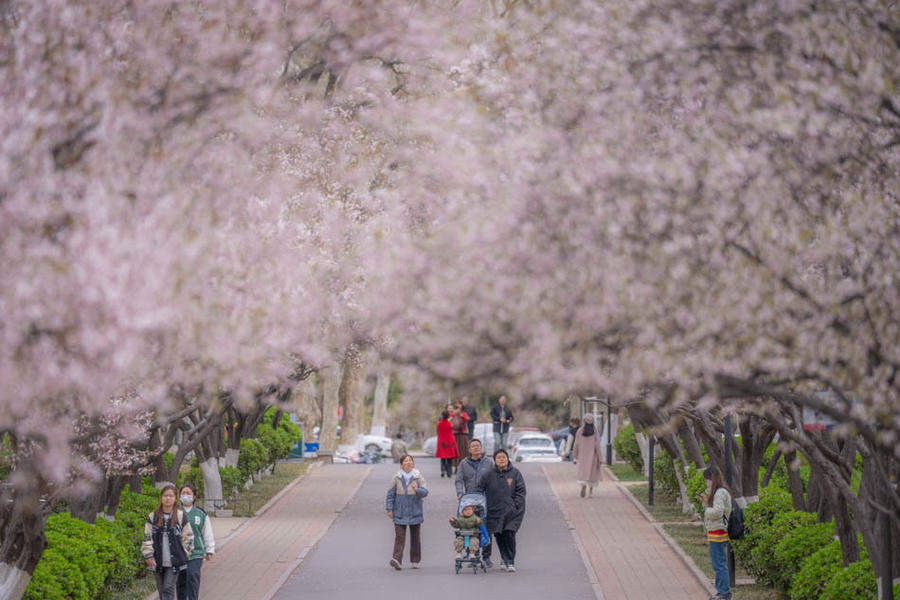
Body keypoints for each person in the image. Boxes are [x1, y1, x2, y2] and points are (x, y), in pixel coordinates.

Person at [472, 449, 526, 572]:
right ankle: (504, 558)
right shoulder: (488, 474)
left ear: (507, 459)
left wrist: (515, 505)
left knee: (509, 534)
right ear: (495, 460)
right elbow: (479, 489)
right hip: (494, 512)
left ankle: (510, 561)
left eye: (504, 457)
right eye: (499, 458)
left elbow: (521, 491)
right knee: (499, 535)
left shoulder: (515, 473)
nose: (502, 459)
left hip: (513, 512)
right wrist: (477, 503)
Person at [141, 483, 194, 600]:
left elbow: (189, 537)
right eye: (165, 496)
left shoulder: (180, 516)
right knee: (161, 592)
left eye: (171, 496)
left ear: (175, 499)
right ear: (161, 498)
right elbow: (147, 537)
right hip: (157, 560)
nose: (168, 498)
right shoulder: (153, 516)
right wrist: (148, 554)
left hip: (174, 562)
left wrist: (184, 553)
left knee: (168, 589)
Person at [385, 455, 429, 570]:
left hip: (415, 510)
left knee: (415, 537)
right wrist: (389, 509)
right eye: (405, 461)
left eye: (410, 461)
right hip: (399, 510)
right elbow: (390, 495)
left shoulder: (418, 477)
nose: (408, 462)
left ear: (413, 464)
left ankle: (415, 560)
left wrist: (417, 490)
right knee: (399, 536)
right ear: (401, 464)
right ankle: (397, 560)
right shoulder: (396, 477)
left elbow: (425, 492)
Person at [176, 484, 214, 600]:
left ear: (194, 496)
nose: (185, 496)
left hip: (196, 553)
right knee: (181, 581)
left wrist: (209, 549)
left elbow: (207, 532)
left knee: (192, 577)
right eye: (183, 493)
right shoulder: (174, 512)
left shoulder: (200, 514)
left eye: (188, 493)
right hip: (179, 553)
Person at [701, 466, 733, 600]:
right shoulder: (719, 492)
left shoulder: (719, 492)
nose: (707, 483)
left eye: (707, 480)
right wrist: (706, 502)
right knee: (718, 563)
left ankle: (724, 593)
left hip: (718, 531)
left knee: (719, 563)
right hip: (716, 531)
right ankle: (721, 592)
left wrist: (706, 509)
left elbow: (717, 512)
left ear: (712, 478)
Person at [573, 413, 603, 497]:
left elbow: (576, 444)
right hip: (593, 456)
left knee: (583, 473)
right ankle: (590, 492)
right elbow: (597, 445)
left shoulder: (580, 431)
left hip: (582, 457)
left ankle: (583, 486)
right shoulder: (595, 431)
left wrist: (575, 456)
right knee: (592, 475)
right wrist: (600, 458)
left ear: (584, 421)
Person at [435, 409, 459, 477]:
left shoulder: (439, 423)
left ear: (442, 415)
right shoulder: (450, 423)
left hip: (441, 442)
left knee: (442, 458)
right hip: (449, 441)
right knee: (449, 458)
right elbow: (452, 431)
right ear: (448, 416)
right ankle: (449, 472)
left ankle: (443, 470)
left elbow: (438, 432)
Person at [450, 402, 470, 472]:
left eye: (459, 406)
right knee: (455, 451)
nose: (458, 408)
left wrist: (461, 415)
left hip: (463, 435)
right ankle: (455, 466)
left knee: (463, 451)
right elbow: (448, 421)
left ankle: (462, 466)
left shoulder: (464, 414)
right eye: (457, 406)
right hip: (455, 435)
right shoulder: (452, 414)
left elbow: (467, 419)